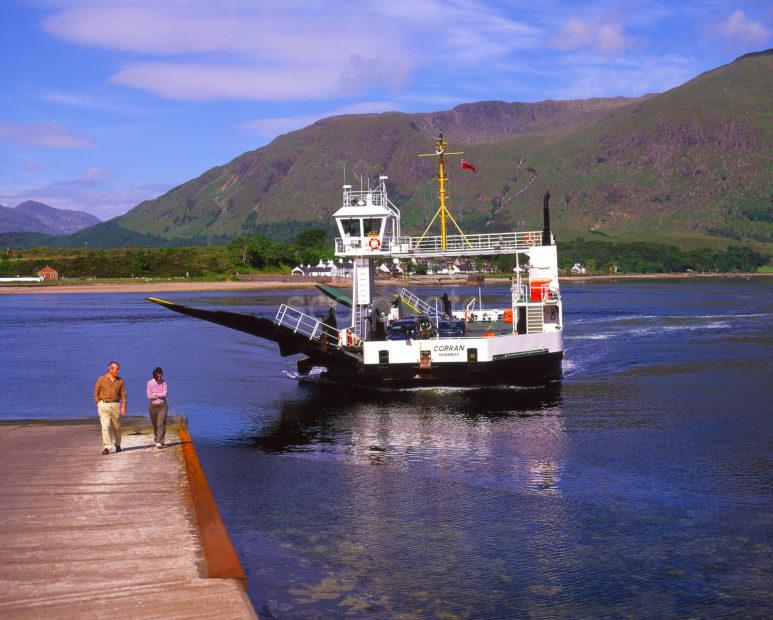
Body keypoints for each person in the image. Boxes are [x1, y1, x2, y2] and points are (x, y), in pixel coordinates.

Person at [94, 361, 127, 455]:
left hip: (116, 405)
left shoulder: (120, 381)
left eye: (118, 369)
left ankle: (117, 444)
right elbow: (96, 392)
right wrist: (98, 403)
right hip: (103, 405)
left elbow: (123, 395)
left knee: (117, 427)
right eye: (116, 369)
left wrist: (123, 406)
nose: (118, 371)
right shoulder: (101, 379)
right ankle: (107, 447)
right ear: (110, 369)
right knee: (105, 426)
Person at [146, 367, 168, 448]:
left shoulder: (164, 382)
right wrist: (159, 394)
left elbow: (164, 394)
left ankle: (160, 441)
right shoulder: (150, 383)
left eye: (161, 374)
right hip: (153, 406)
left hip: (163, 405)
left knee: (161, 424)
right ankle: (157, 439)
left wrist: (155, 393)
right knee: (155, 425)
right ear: (155, 374)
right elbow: (149, 396)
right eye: (158, 374)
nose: (160, 376)